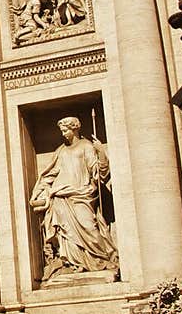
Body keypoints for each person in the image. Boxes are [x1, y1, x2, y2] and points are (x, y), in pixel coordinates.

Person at [29, 117, 118, 279]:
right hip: (62, 196)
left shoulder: (86, 147)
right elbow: (49, 174)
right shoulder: (61, 151)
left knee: (89, 227)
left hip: (82, 194)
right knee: (66, 233)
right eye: (62, 131)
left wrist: (101, 152)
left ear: (75, 129)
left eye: (66, 130)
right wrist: (40, 191)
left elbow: (98, 172)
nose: (63, 134)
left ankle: (100, 259)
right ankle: (75, 263)